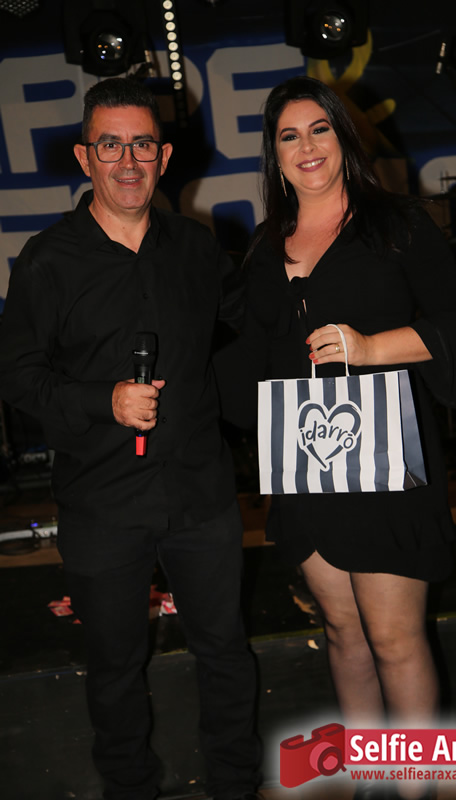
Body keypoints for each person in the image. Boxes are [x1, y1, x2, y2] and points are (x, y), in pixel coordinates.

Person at [0, 78, 261, 800]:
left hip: (201, 494)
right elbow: (16, 374)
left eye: (141, 144)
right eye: (109, 145)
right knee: (115, 669)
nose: (127, 160)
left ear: (164, 156)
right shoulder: (47, 260)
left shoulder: (197, 248)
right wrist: (102, 401)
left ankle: (236, 786)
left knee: (225, 652)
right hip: (102, 503)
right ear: (85, 157)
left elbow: (248, 327)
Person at [226, 76, 456, 800]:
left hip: (387, 466)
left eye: (319, 129)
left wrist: (370, 348)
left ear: (344, 137)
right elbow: (243, 356)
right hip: (305, 469)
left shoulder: (397, 225)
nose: (306, 147)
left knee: (395, 638)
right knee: (343, 633)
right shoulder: (263, 247)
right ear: (274, 154)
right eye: (288, 135)